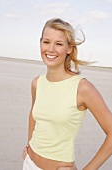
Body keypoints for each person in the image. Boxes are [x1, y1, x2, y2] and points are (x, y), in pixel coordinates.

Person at [22, 18, 112, 170]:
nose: (50, 49)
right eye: (46, 42)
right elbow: (33, 115)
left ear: (69, 48)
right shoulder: (37, 83)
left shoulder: (82, 88)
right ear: (40, 43)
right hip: (29, 164)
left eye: (59, 44)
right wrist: (29, 145)